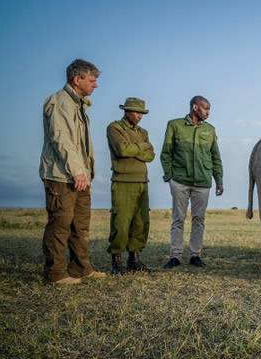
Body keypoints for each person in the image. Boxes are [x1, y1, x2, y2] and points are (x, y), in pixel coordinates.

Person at [39, 59, 107, 284]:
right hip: (61, 175)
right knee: (60, 223)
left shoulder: (79, 104)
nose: (95, 85)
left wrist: (85, 172)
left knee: (80, 224)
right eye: (92, 80)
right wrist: (78, 171)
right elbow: (62, 139)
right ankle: (55, 273)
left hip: (80, 176)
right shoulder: (60, 102)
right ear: (77, 79)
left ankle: (80, 268)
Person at [160, 96, 223, 269]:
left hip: (203, 182)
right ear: (195, 107)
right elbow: (166, 153)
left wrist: (219, 180)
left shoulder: (210, 130)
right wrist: (169, 177)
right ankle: (175, 256)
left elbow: (215, 157)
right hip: (179, 181)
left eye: (209, 109)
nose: (208, 112)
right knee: (178, 219)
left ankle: (195, 255)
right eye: (206, 108)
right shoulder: (174, 125)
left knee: (199, 219)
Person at [106, 98, 155, 274]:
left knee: (141, 222)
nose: (140, 116)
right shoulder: (115, 128)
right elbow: (122, 150)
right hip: (122, 181)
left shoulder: (143, 132)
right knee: (120, 222)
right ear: (126, 111)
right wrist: (142, 147)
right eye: (136, 112)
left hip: (142, 181)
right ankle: (116, 262)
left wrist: (135, 149)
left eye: (142, 113)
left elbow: (151, 155)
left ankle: (134, 260)